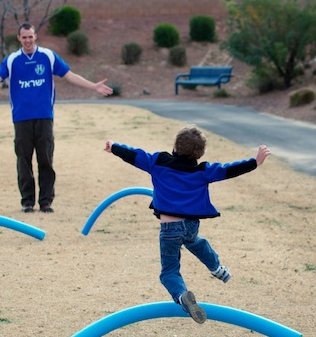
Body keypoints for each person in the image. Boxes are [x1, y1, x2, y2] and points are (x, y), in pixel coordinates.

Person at [104, 126, 271, 323]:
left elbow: (135, 155)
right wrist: (255, 162)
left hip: (170, 230)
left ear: (175, 146)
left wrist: (114, 147)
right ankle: (216, 268)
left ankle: (183, 296)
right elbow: (228, 170)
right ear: (200, 153)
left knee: (169, 272)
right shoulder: (203, 171)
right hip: (191, 226)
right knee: (196, 242)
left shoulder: (158, 162)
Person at [0, 22, 113, 213]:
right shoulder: (12, 60)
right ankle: (27, 201)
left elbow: (69, 75)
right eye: (24, 37)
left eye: (31, 36)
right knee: (23, 160)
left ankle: (46, 201)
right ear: (19, 38)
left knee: (45, 159)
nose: (28, 40)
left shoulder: (47, 56)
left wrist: (93, 86)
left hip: (44, 117)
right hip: (21, 118)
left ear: (35, 36)